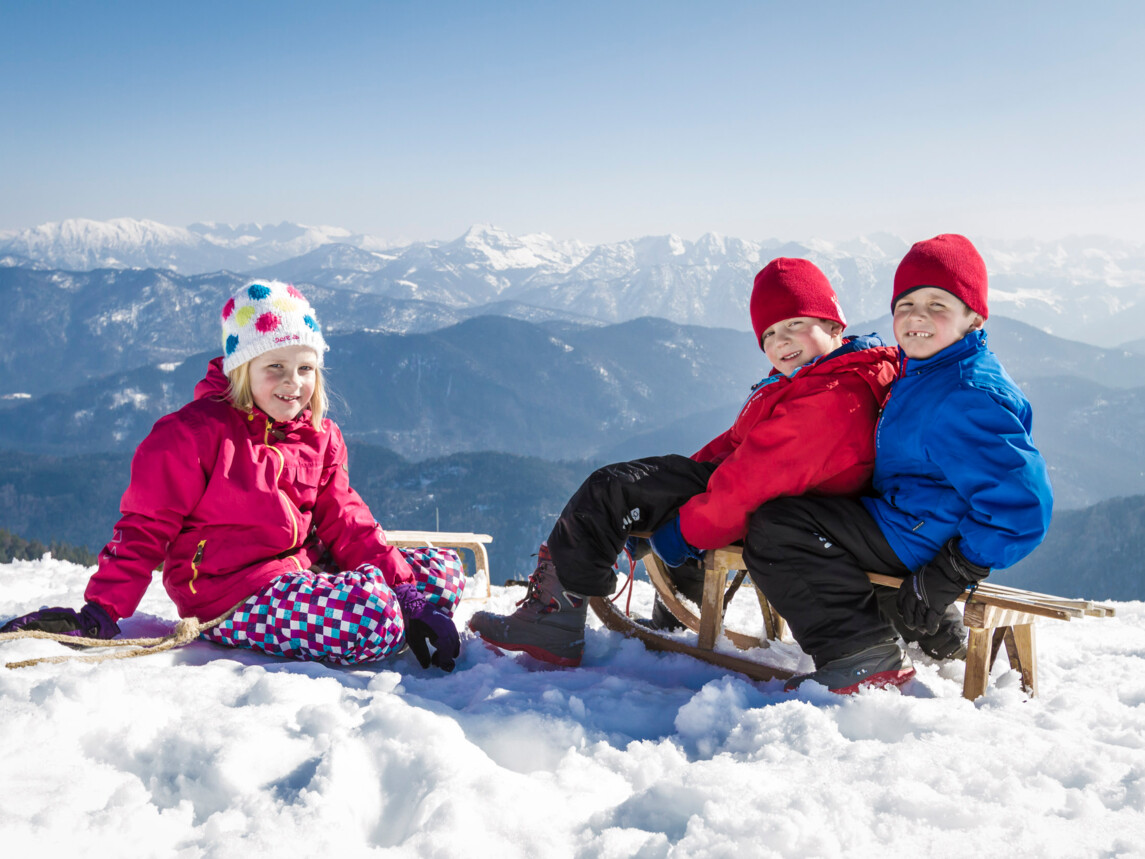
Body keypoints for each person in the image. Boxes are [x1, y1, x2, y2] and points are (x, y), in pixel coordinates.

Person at [1, 281, 461, 671]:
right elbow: (143, 530)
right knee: (374, 616)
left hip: (301, 570)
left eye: (305, 368)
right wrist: (101, 611)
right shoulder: (190, 436)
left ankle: (393, 599)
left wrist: (408, 593)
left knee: (441, 575)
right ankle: (379, 608)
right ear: (241, 369)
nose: (292, 383)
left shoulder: (320, 436)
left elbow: (346, 517)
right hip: (230, 593)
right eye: (274, 367)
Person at [469, 258, 899, 667]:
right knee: (638, 489)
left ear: (833, 323)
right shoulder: (817, 378)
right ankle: (672, 615)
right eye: (768, 334)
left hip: (782, 507)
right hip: (777, 494)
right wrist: (662, 495)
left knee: (611, 490)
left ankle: (553, 618)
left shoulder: (832, 398)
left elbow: (750, 483)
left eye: (795, 325)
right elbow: (733, 445)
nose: (780, 341)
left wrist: (680, 533)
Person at [744, 234, 1053, 694]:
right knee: (819, 509)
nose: (917, 316)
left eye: (938, 304)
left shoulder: (967, 393)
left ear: (974, 317)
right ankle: (934, 636)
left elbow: (1023, 506)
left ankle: (859, 654)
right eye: (905, 304)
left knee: (777, 527)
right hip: (914, 520)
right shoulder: (927, 370)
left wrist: (954, 571)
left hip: (922, 534)